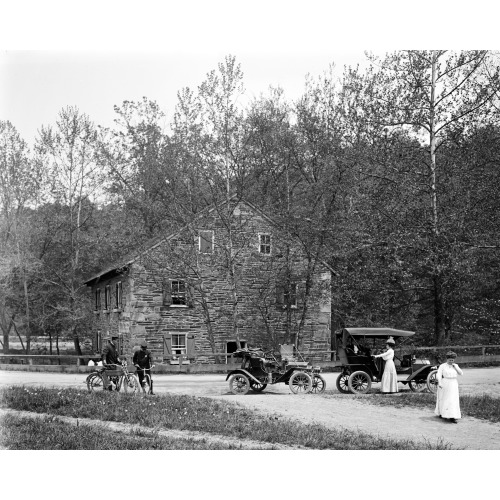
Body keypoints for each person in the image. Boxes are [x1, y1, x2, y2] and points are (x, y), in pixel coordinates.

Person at [435, 351, 463, 423]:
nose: (451, 361)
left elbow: (461, 373)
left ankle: (452, 416)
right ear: (447, 359)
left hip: (453, 383)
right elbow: (438, 374)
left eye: (452, 360)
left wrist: (456, 367)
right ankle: (442, 413)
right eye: (450, 360)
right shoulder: (443, 366)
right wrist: (440, 383)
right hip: (445, 383)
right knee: (444, 398)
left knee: (452, 399)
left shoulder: (455, 365)